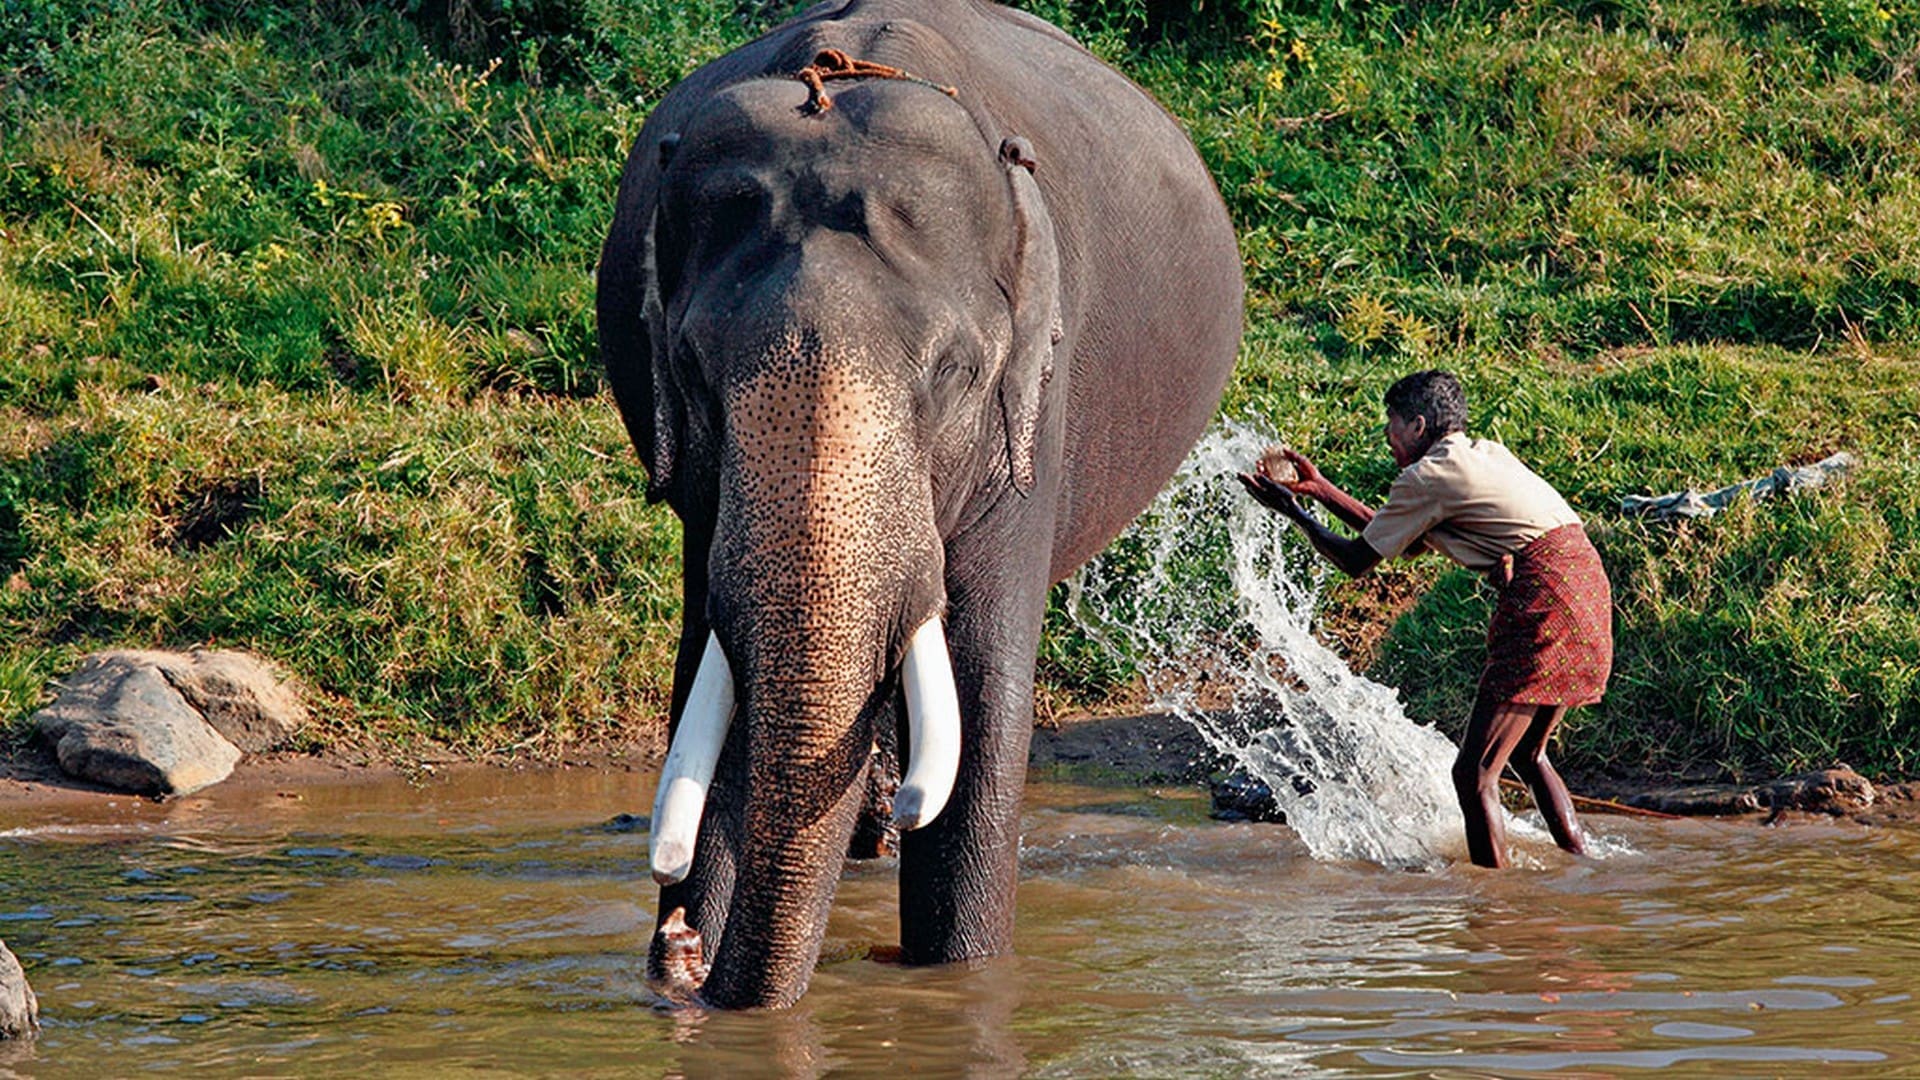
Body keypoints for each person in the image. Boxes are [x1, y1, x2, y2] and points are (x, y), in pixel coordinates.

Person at [1237, 370, 1612, 868]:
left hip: (1544, 596)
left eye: (1390, 425)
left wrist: (1293, 512)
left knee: (1473, 775)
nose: (1388, 437)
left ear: (1416, 425)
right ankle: (1585, 864)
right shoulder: (1485, 454)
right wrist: (1322, 490)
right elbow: (1404, 543)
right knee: (1527, 755)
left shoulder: (1426, 475)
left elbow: (1356, 561)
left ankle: (1492, 902)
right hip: (1586, 585)